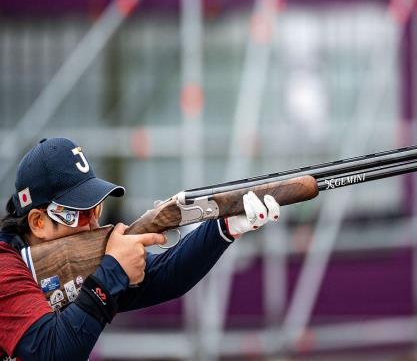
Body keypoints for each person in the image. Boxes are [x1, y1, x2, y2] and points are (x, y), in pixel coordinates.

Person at [0, 137, 280, 361]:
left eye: (96, 210)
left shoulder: (75, 266)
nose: (94, 225)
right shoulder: (4, 270)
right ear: (38, 222)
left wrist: (224, 226)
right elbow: (52, 353)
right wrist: (110, 273)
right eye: (80, 215)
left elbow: (167, 277)